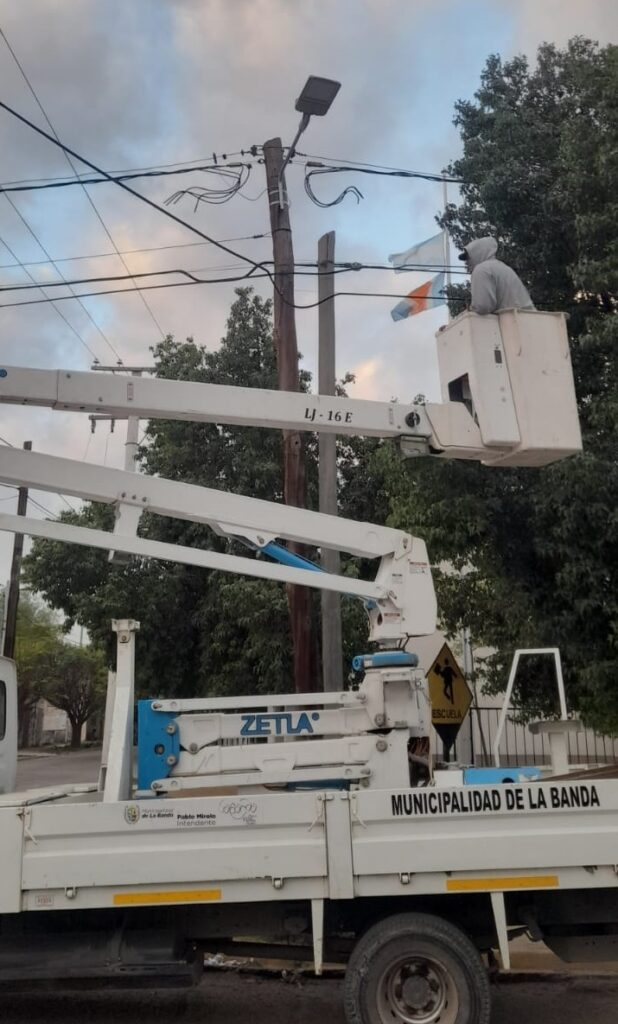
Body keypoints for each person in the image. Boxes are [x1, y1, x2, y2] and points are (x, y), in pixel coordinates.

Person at [458, 237, 535, 315]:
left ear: (477, 254)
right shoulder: (503, 267)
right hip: (530, 317)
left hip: (512, 320)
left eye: (468, 258)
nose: (466, 263)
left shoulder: (481, 269)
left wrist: (468, 313)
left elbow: (482, 307)